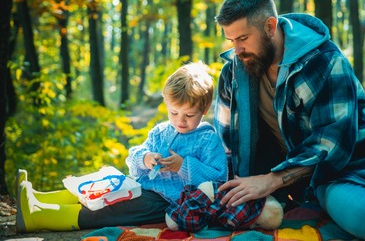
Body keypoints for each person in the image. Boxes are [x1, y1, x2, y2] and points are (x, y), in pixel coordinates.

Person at [213, 0, 365, 240]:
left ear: (270, 27)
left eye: (243, 39)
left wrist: (271, 180)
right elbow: (227, 145)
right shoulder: (233, 76)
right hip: (328, 175)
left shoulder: (323, 59)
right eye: (231, 40)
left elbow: (333, 140)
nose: (236, 50)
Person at [16, 61, 228, 233]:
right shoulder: (161, 131)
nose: (180, 120)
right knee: (100, 189)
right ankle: (38, 197)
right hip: (138, 186)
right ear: (166, 105)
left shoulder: (207, 140)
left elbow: (218, 180)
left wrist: (183, 165)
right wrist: (145, 158)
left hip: (165, 202)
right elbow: (133, 158)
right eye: (173, 113)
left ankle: (38, 216)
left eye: (189, 115)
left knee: (109, 210)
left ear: (205, 108)